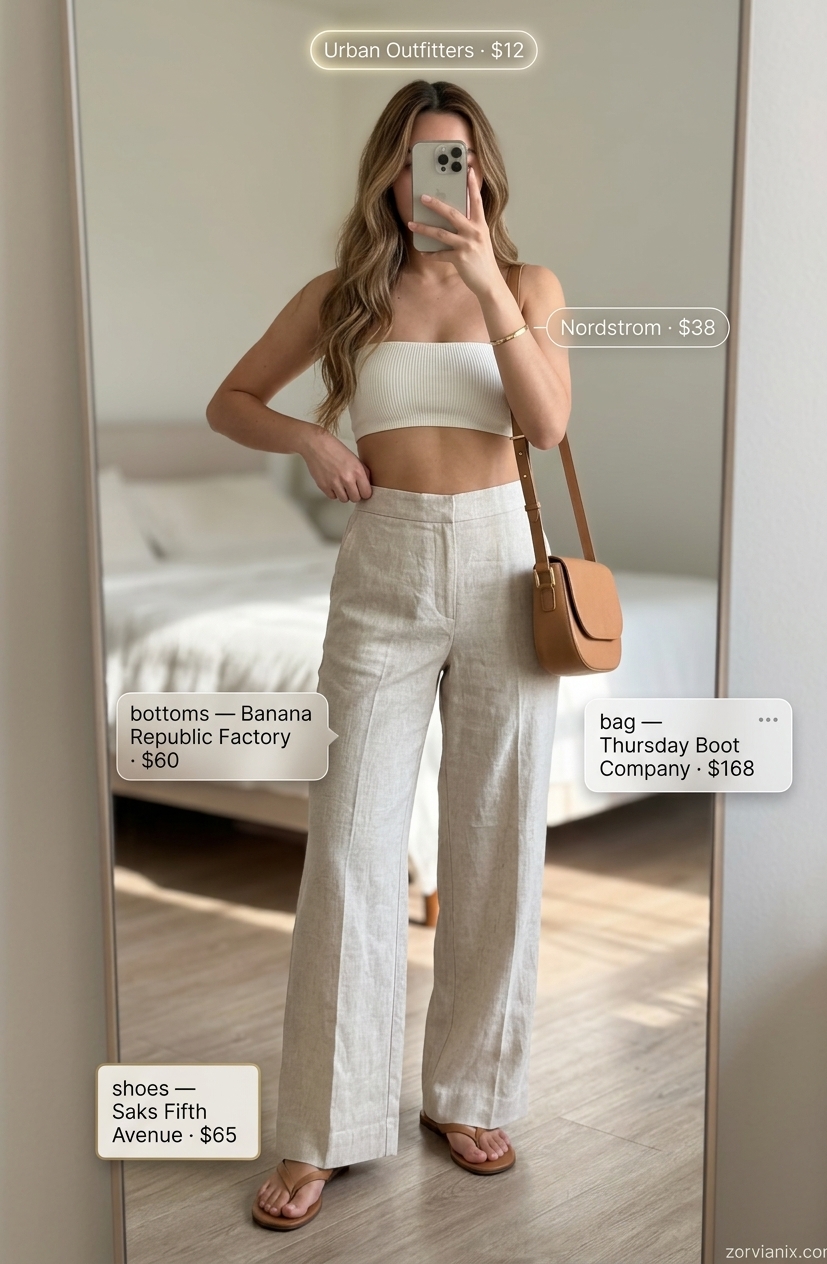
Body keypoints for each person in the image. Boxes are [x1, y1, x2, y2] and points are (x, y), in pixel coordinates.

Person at [206, 78, 571, 1231]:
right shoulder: (343, 296)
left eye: (454, 158)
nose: (435, 179)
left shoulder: (525, 284)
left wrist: (478, 282)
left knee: (494, 831)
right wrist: (309, 435)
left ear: (482, 172)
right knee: (352, 846)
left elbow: (548, 425)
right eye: (417, 159)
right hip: (382, 568)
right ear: (386, 172)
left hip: (504, 559)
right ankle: (325, 1127)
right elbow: (229, 401)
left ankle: (468, 1093)